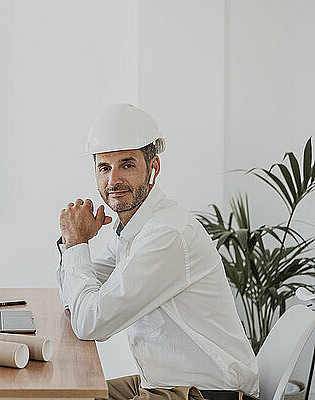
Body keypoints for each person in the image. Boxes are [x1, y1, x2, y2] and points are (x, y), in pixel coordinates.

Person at [56, 104, 259, 400]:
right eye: (104, 167)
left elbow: (91, 323)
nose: (113, 181)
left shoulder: (166, 234)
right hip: (163, 383)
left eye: (127, 165)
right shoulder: (133, 227)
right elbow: (74, 299)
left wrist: (77, 243)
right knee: (66, 394)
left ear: (153, 169)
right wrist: (71, 242)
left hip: (209, 393)